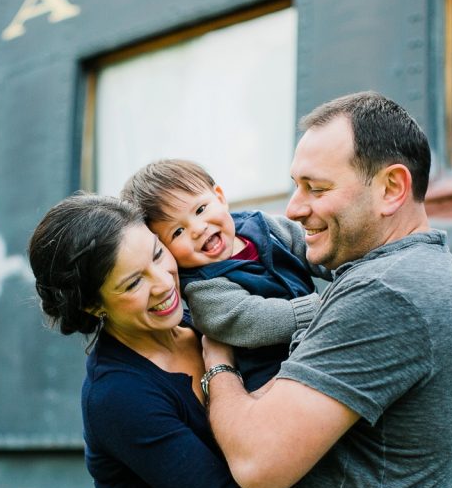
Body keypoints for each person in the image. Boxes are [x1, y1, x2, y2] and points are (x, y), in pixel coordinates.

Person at [28, 192, 443, 488]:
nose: (162, 283)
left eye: (157, 254)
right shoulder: (117, 394)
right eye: (133, 283)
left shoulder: (208, 317)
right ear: (93, 306)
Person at [201, 91, 452, 488]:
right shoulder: (409, 274)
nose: (294, 208)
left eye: (316, 187)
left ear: (391, 188)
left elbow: (257, 463)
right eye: (296, 186)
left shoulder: (387, 291)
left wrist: (218, 359)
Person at [121, 159, 326, 390]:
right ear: (166, 250)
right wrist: (326, 306)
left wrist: (349, 269)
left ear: (219, 197)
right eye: (178, 231)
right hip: (276, 378)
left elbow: (316, 252)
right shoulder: (202, 288)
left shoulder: (262, 225)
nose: (198, 229)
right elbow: (254, 319)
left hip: (319, 340)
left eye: (200, 210)